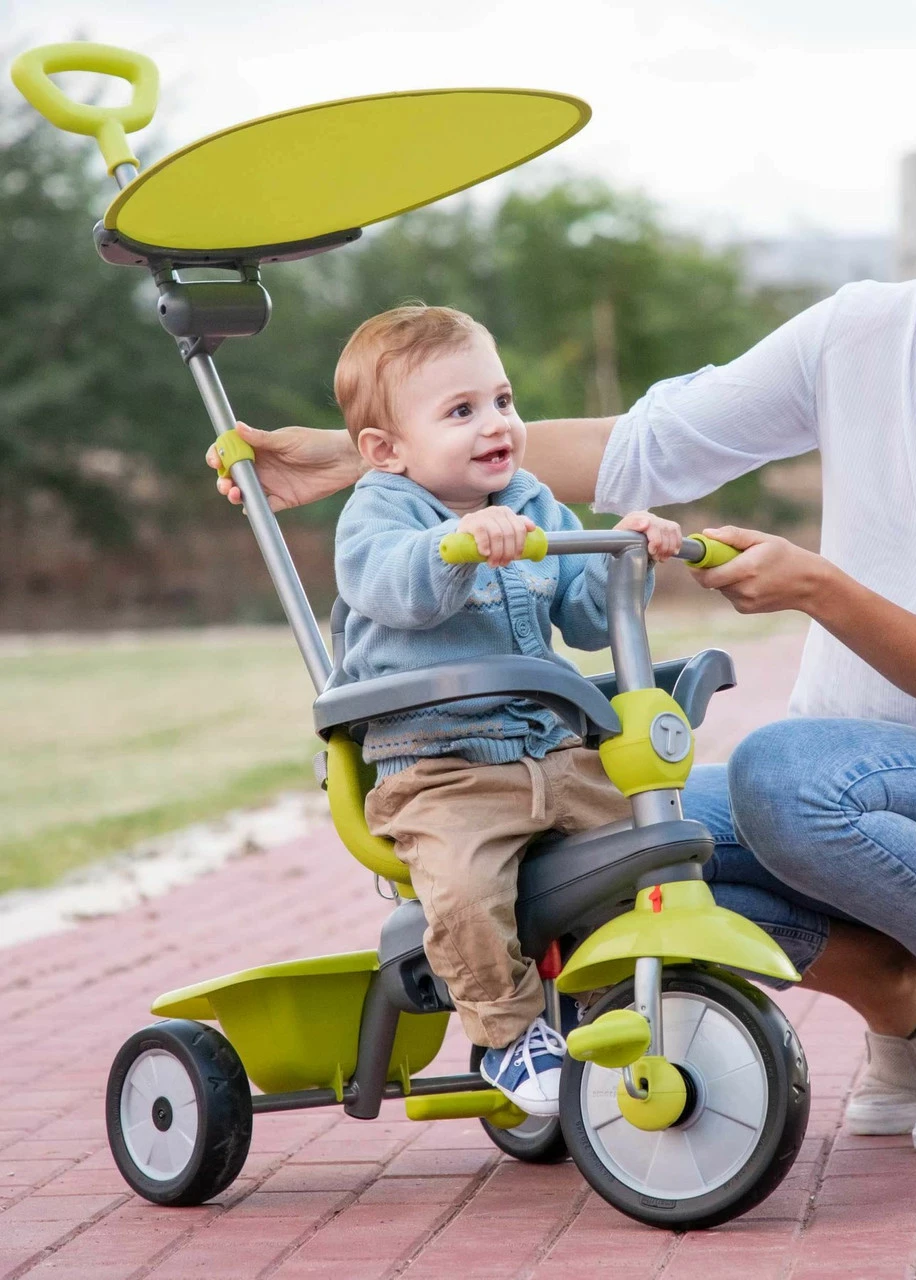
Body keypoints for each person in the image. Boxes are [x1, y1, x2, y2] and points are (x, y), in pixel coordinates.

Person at [210, 135, 916, 1155]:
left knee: (781, 770)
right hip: (844, 814)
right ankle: (902, 1003)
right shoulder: (865, 332)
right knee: (598, 845)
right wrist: (370, 454)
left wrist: (819, 588)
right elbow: (648, 446)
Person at [329, 303, 681, 1115]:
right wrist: (453, 546)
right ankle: (508, 1032)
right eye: (461, 412)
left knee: (648, 845)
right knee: (462, 887)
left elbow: (588, 618)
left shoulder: (531, 499)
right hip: (441, 768)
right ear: (387, 450)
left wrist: (627, 554)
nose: (497, 425)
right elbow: (393, 588)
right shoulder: (379, 512)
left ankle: (621, 990)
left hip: (554, 751)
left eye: (503, 400)